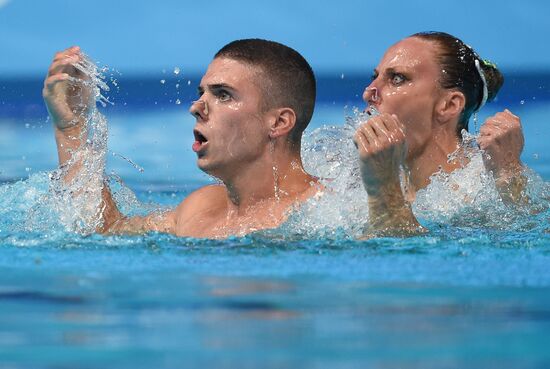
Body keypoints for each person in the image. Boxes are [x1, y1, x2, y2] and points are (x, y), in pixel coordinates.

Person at [43, 39, 320, 238]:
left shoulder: (321, 210)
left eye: (223, 95)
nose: (196, 106)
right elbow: (103, 231)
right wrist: (71, 128)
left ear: (279, 122)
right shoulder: (200, 209)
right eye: (202, 93)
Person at [353, 31, 526, 236]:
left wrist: (509, 174)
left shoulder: (483, 191)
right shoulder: (355, 180)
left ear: (449, 105)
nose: (368, 92)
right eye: (375, 77)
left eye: (397, 78)